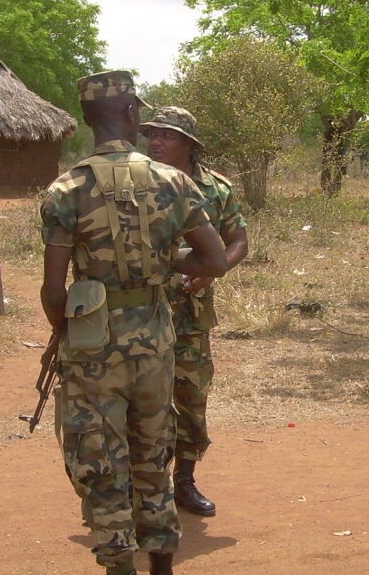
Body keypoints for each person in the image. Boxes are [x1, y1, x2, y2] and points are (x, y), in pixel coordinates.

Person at [39, 70, 228, 575]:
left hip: (93, 344)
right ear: (131, 114)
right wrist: (166, 262)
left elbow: (52, 291)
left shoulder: (67, 188)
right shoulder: (174, 181)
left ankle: (118, 564)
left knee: (101, 460)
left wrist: (66, 334)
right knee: (153, 452)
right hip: (155, 342)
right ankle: (162, 563)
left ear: (85, 118)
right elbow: (214, 260)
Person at [140, 106, 249, 517]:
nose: (155, 142)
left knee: (190, 399)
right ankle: (144, 485)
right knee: (141, 399)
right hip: (140, 312)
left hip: (189, 315)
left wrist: (213, 271)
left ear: (188, 144)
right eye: (151, 135)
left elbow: (238, 240)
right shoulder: (136, 183)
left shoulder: (216, 189)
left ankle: (183, 481)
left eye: (166, 136)